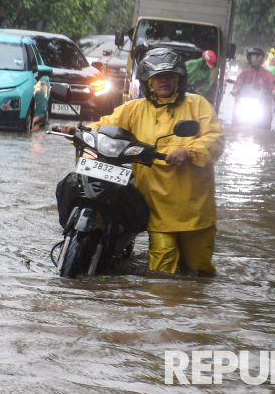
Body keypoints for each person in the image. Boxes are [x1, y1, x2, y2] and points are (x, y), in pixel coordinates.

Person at [57, 48, 225, 276]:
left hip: (195, 211)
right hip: (158, 209)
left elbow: (214, 139)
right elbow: (105, 126)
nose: (164, 81)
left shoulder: (198, 105)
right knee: (161, 277)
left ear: (178, 79)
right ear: (148, 83)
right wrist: (77, 131)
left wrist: (188, 152)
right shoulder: (135, 109)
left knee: (198, 271)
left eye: (169, 76)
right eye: (158, 77)